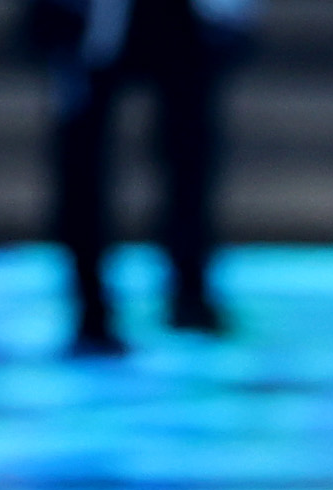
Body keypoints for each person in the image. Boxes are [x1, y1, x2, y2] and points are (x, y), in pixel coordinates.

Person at [33, 0, 250, 358]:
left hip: (185, 19)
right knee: (83, 161)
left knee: (188, 152)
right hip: (84, 17)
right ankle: (91, 308)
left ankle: (189, 296)